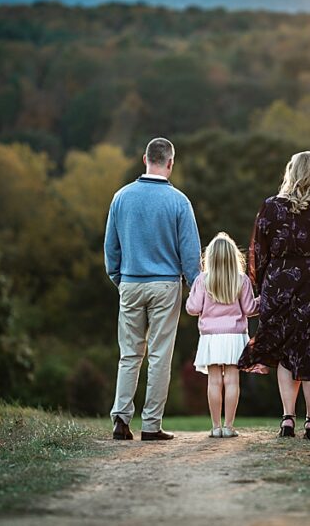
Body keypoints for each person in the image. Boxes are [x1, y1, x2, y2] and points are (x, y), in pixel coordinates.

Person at [238, 151, 310, 439]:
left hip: (282, 286)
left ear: (290, 172)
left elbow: (259, 252)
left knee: (286, 354)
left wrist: (265, 284)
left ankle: (287, 418)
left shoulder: (271, 207)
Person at [104, 137, 201, 441]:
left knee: (129, 354)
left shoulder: (121, 197)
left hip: (131, 281)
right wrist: (195, 284)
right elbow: (190, 253)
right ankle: (150, 425)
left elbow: (111, 246)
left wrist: (119, 278)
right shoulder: (179, 202)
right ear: (170, 163)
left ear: (144, 159)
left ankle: (121, 418)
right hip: (165, 284)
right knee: (159, 355)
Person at [185, 232, 258, 438]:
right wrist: (262, 301)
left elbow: (192, 308)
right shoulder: (241, 280)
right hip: (235, 337)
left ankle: (216, 427)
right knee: (233, 381)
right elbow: (250, 308)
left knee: (214, 381)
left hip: (210, 337)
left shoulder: (202, 280)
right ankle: (229, 426)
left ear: (210, 257)